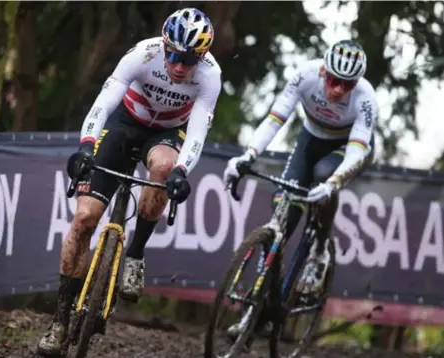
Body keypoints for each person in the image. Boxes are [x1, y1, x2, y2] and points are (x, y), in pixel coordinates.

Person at [37, 8, 221, 356]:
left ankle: (134, 255)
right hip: (126, 121)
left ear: (203, 56)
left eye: (189, 60)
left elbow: (197, 130)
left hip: (167, 131)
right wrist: (87, 147)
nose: (179, 66)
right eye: (174, 56)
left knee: (165, 168)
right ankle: (59, 321)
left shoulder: (210, 76)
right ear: (165, 45)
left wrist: (183, 170)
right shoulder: (143, 54)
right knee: (84, 220)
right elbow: (102, 104)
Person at [223, 40, 377, 338]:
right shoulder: (305, 76)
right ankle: (253, 311)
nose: (337, 90)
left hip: (348, 149)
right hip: (310, 140)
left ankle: (319, 251)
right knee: (282, 217)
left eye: (346, 85)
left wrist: (334, 182)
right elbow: (274, 119)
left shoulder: (365, 98)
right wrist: (248, 155)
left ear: (356, 83)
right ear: (322, 71)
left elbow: (357, 151)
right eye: (332, 80)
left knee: (323, 177)